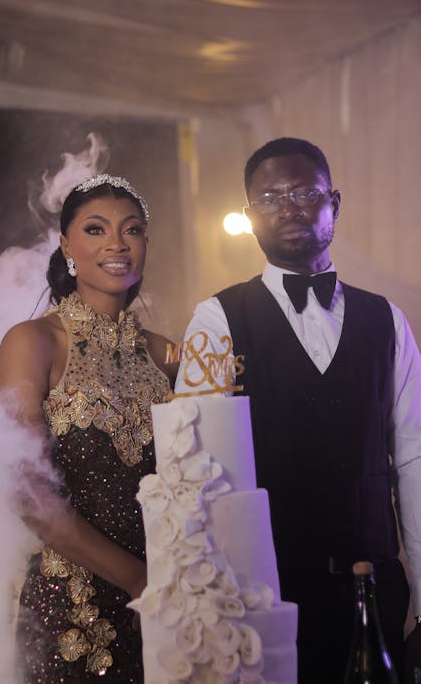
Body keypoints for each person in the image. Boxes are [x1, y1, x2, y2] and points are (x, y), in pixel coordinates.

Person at [175, 138, 421, 684]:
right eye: (270, 197)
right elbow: (197, 477)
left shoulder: (388, 321)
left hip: (374, 591)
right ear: (248, 216)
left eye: (306, 192)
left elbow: (415, 463)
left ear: (335, 202)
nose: (289, 207)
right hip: (261, 598)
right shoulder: (215, 320)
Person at [0, 174, 176, 684]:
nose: (117, 243)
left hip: (165, 604)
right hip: (70, 613)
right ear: (66, 246)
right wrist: (138, 578)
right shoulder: (34, 342)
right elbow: (26, 491)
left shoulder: (166, 354)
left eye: (132, 230)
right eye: (96, 229)